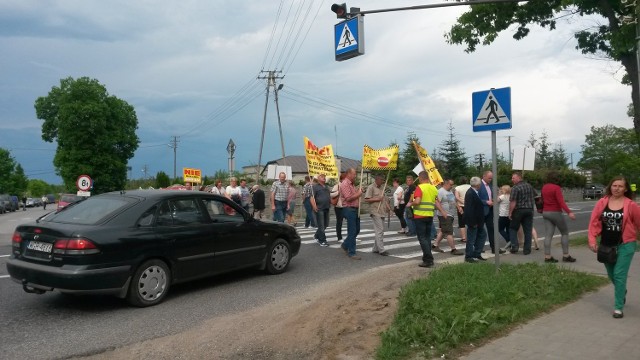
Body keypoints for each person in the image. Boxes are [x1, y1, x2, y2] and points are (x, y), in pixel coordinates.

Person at [588, 176, 640, 319]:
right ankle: (622, 292)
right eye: (614, 185)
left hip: (626, 245)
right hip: (606, 245)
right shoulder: (602, 202)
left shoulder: (631, 205)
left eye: (620, 186)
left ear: (626, 189)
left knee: (619, 274)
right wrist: (592, 240)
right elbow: (594, 221)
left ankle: (618, 307)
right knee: (611, 275)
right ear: (610, 187)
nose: (617, 188)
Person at [411, 171, 447, 268]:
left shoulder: (420, 187)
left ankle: (428, 259)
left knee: (422, 238)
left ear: (420, 178)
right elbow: (437, 202)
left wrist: (411, 203)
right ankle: (427, 258)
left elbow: (417, 201)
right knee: (427, 238)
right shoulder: (433, 188)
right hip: (429, 216)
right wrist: (443, 212)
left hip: (419, 216)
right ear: (428, 178)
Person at [541, 171, 577, 263]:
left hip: (545, 212)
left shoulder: (544, 187)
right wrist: (569, 212)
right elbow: (561, 202)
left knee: (548, 235)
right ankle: (566, 255)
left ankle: (547, 256)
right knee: (564, 233)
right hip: (555, 212)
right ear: (557, 179)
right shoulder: (556, 188)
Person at [432, 178, 464, 256]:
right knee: (449, 232)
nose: (452, 186)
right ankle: (453, 249)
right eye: (451, 185)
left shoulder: (449, 192)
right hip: (445, 215)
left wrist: (458, 207)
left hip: (450, 214)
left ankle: (435, 245)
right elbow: (437, 203)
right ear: (445, 184)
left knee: (443, 231)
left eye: (452, 185)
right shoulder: (440, 191)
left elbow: (453, 200)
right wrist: (443, 212)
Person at [508, 172, 536, 254]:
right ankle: (527, 249)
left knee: (513, 228)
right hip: (529, 210)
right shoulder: (529, 186)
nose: (512, 179)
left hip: (519, 210)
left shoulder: (515, 188)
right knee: (527, 230)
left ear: (519, 178)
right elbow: (536, 196)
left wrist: (510, 212)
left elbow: (513, 201)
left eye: (513, 178)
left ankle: (515, 246)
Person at [339, 168, 363, 260]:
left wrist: (359, 191)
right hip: (349, 209)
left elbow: (354, 195)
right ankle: (352, 252)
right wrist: (359, 194)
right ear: (348, 174)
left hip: (355, 209)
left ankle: (345, 245)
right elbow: (348, 198)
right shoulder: (345, 184)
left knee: (357, 230)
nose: (355, 176)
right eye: (354, 174)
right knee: (352, 231)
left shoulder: (351, 184)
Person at [365, 174, 391, 256]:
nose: (382, 182)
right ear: (377, 180)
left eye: (383, 180)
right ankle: (381, 250)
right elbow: (367, 199)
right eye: (381, 180)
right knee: (380, 230)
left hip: (382, 211)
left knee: (378, 230)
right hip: (375, 211)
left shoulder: (382, 188)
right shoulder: (371, 187)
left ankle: (375, 248)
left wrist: (389, 208)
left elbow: (385, 200)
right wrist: (377, 198)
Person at [478, 170, 504, 254]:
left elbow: (491, 196)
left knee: (491, 229)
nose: (490, 179)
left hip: (489, 210)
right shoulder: (479, 185)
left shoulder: (490, 185)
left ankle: (494, 248)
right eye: (489, 178)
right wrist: (486, 202)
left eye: (491, 178)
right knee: (480, 230)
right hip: (481, 211)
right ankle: (479, 248)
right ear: (484, 176)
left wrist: (493, 200)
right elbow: (476, 199)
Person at [464, 177, 488, 263]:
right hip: (473, 221)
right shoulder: (470, 193)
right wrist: (473, 222)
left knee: (482, 235)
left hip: (478, 220)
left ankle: (477, 253)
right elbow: (469, 209)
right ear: (478, 185)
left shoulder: (474, 192)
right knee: (471, 238)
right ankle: (469, 255)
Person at [310, 174, 331, 247]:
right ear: (318, 178)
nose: (324, 178)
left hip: (326, 207)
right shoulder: (315, 187)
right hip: (319, 208)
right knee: (321, 225)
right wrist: (314, 206)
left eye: (324, 177)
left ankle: (316, 235)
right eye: (322, 177)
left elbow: (329, 196)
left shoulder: (326, 187)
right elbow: (312, 197)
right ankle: (322, 240)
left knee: (325, 225)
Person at [454, 176, 470, 243]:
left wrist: (462, 202)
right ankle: (471, 236)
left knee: (461, 222)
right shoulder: (470, 187)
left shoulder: (457, 188)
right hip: (469, 206)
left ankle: (464, 238)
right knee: (470, 222)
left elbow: (456, 197)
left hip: (461, 206)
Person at [331, 172, 346, 241]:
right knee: (339, 222)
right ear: (342, 179)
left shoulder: (348, 186)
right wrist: (338, 192)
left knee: (351, 221)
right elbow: (331, 195)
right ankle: (339, 237)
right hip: (339, 207)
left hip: (346, 206)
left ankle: (351, 236)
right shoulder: (337, 186)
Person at [496, 184, 511, 249]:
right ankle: (510, 242)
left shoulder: (502, 196)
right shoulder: (510, 196)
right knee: (508, 229)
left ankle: (508, 240)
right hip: (509, 214)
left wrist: (499, 194)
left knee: (500, 229)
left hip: (502, 215)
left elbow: (496, 201)